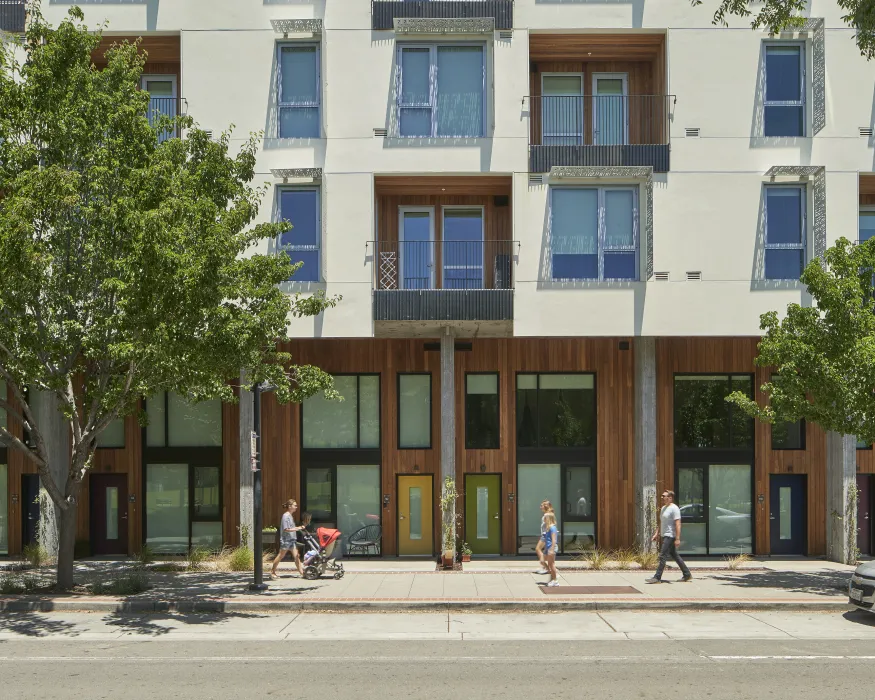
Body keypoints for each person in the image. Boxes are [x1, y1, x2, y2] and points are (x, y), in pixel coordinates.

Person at [646, 490, 692, 584]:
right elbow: (661, 522)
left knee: (662, 555)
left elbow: (678, 524)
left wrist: (678, 538)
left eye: (664, 496)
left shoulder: (674, 509)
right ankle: (687, 574)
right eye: (662, 496)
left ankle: (657, 577)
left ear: (670, 498)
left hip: (670, 535)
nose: (662, 497)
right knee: (674, 555)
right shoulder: (663, 508)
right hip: (664, 534)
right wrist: (656, 534)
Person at [270, 499, 305, 580]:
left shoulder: (290, 515)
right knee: (280, 556)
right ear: (290, 506)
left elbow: (291, 528)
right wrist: (298, 528)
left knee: (297, 556)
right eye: (295, 505)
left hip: (292, 540)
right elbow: (286, 529)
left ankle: (302, 573)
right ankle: (272, 572)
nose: (296, 507)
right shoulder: (286, 516)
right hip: (286, 540)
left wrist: (299, 527)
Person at [535, 501, 554, 574]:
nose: (540, 507)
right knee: (544, 552)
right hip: (545, 535)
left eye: (541, 506)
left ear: (545, 506)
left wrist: (547, 536)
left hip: (545, 535)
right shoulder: (547, 514)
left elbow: (550, 526)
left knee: (538, 549)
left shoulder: (547, 515)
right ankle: (545, 567)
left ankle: (547, 568)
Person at [543, 512, 559, 587]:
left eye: (545, 518)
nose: (544, 519)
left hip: (551, 547)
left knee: (551, 564)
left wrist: (551, 549)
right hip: (548, 547)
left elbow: (554, 540)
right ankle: (553, 576)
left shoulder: (553, 528)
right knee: (543, 561)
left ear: (549, 519)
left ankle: (555, 580)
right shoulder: (548, 527)